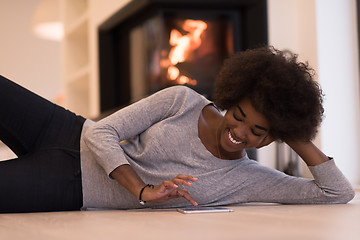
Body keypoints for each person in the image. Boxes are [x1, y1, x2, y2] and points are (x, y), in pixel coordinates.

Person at [0, 46, 355, 213]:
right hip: (66, 130)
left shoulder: (249, 178)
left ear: (272, 136)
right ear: (232, 97)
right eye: (240, 114)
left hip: (71, 186)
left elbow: (336, 193)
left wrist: (292, 132)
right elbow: (99, 134)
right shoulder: (183, 100)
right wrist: (142, 191)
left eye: (258, 131)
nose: (240, 132)